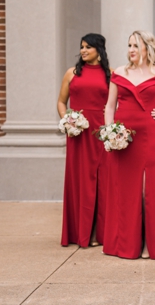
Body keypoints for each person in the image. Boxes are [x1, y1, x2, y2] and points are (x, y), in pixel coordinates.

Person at [102, 31, 155, 262]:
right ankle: (126, 242)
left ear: (147, 48)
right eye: (129, 44)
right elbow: (110, 107)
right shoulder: (119, 73)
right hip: (123, 138)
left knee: (148, 189)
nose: (131, 49)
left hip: (150, 135)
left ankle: (148, 244)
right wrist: (110, 132)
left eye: (136, 45)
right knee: (125, 189)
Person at [58, 33, 110, 248]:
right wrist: (68, 121)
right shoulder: (72, 73)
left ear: (99, 49)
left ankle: (100, 234)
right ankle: (78, 232)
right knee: (79, 180)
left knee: (102, 181)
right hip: (78, 134)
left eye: (88, 46)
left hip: (101, 132)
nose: (83, 50)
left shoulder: (111, 75)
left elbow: (118, 103)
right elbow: (61, 102)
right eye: (81, 46)